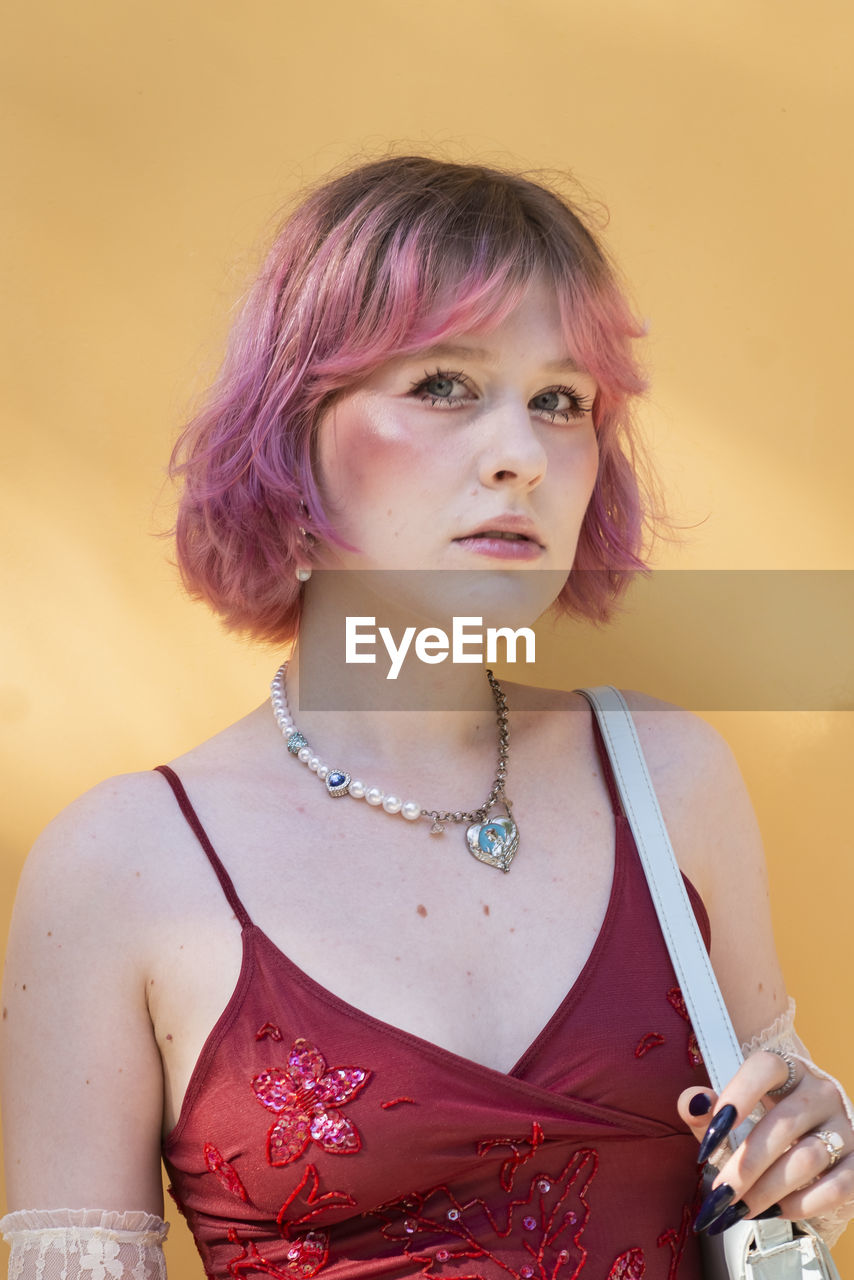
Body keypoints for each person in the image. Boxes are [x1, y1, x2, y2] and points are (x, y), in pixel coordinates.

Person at [1, 155, 852, 1280]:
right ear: (290, 434)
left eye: (561, 401)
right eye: (444, 384)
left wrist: (814, 1158)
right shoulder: (119, 865)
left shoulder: (670, 774)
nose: (520, 456)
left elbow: (776, 1221)